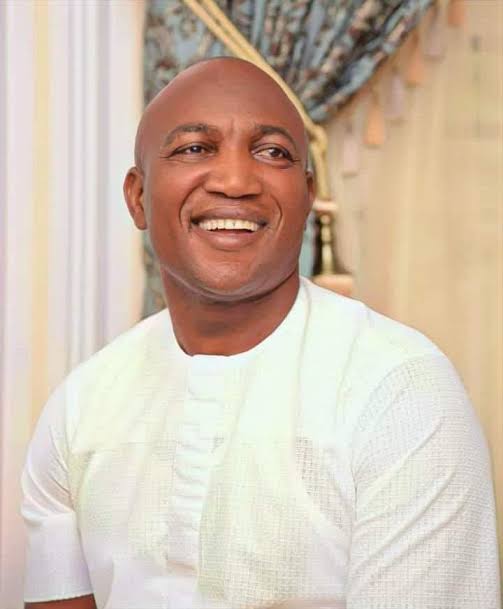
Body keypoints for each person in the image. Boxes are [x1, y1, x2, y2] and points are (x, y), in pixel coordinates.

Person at [21, 58, 500, 609]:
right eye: (194, 148)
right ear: (138, 197)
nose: (234, 181)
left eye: (272, 153)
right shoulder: (82, 406)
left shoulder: (400, 390)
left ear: (306, 194)